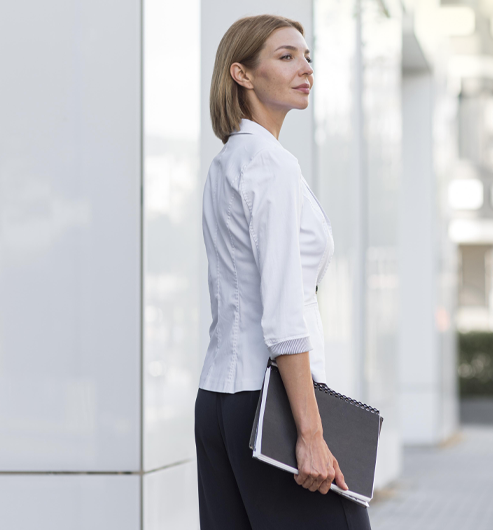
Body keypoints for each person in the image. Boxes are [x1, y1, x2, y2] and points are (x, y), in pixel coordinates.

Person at [195, 13, 372, 530]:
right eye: (286, 56)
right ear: (242, 74)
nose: (305, 69)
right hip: (270, 405)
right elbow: (283, 310)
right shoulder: (271, 165)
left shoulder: (228, 161)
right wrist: (311, 434)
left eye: (308, 56)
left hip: (220, 401)